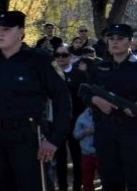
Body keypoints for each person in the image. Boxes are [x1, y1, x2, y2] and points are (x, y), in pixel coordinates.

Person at [0, 11, 72, 191]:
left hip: (28, 138)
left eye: (7, 29)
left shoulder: (39, 60)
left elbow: (63, 101)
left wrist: (54, 139)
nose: (0, 33)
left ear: (21, 32)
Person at [82, 23, 137, 190]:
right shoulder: (99, 67)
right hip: (105, 131)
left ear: (130, 41)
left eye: (120, 39)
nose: (114, 42)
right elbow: (85, 91)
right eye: (111, 38)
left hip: (132, 131)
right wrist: (95, 100)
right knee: (110, 180)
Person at [53, 43, 85, 191]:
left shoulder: (79, 75)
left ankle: (78, 186)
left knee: (77, 156)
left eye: (64, 55)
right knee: (59, 158)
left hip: (75, 122)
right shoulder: (50, 74)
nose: (60, 58)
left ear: (71, 57)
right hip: (56, 123)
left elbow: (84, 99)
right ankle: (62, 186)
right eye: (57, 55)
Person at [72, 107, 97, 191]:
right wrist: (84, 132)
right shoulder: (82, 117)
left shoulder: (105, 115)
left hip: (101, 154)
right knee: (87, 181)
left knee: (107, 180)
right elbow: (76, 134)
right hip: (86, 154)